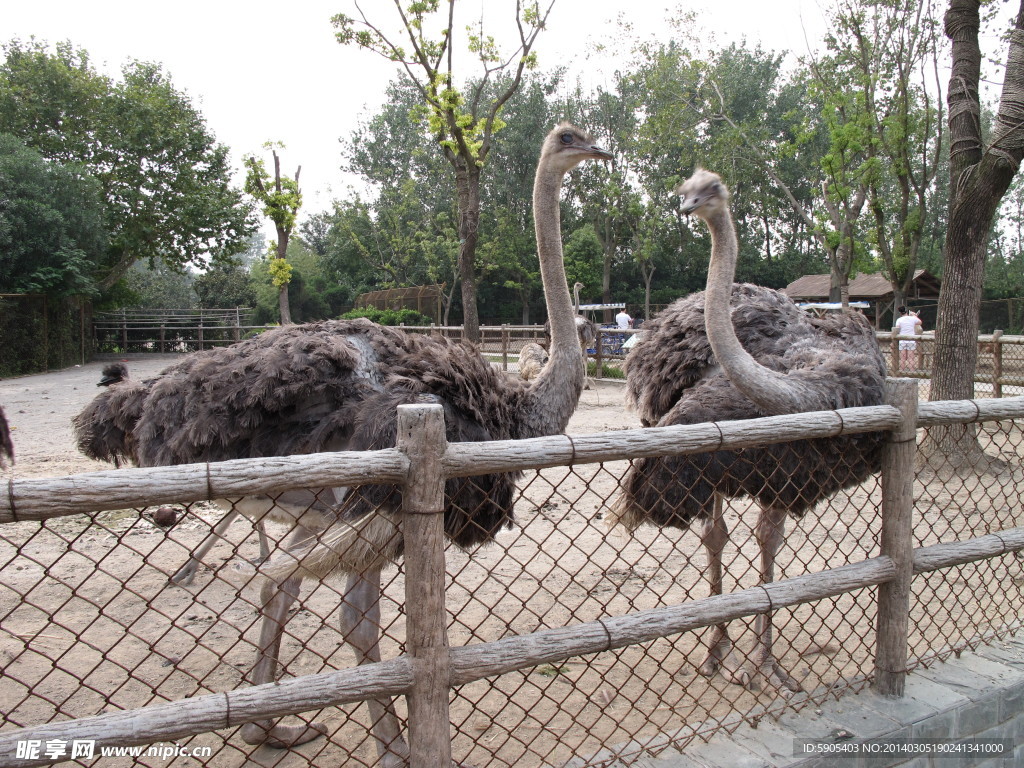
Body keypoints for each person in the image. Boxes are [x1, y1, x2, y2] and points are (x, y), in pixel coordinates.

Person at [893, 306, 923, 372]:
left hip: (902, 340)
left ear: (900, 313)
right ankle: (912, 372)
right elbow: (920, 322)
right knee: (911, 358)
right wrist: (914, 316)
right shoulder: (912, 318)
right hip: (911, 340)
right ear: (907, 311)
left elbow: (897, 328)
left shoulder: (899, 320)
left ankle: (902, 372)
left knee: (902, 358)